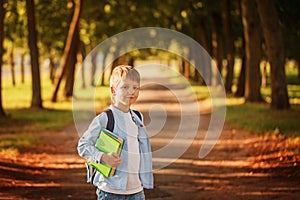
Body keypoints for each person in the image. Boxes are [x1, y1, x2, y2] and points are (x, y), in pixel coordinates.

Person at [78, 65, 154, 200]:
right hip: (110, 191)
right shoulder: (105, 118)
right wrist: (102, 156)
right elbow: (83, 145)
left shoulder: (137, 117)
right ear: (113, 90)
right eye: (125, 87)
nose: (131, 91)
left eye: (135, 87)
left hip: (136, 191)